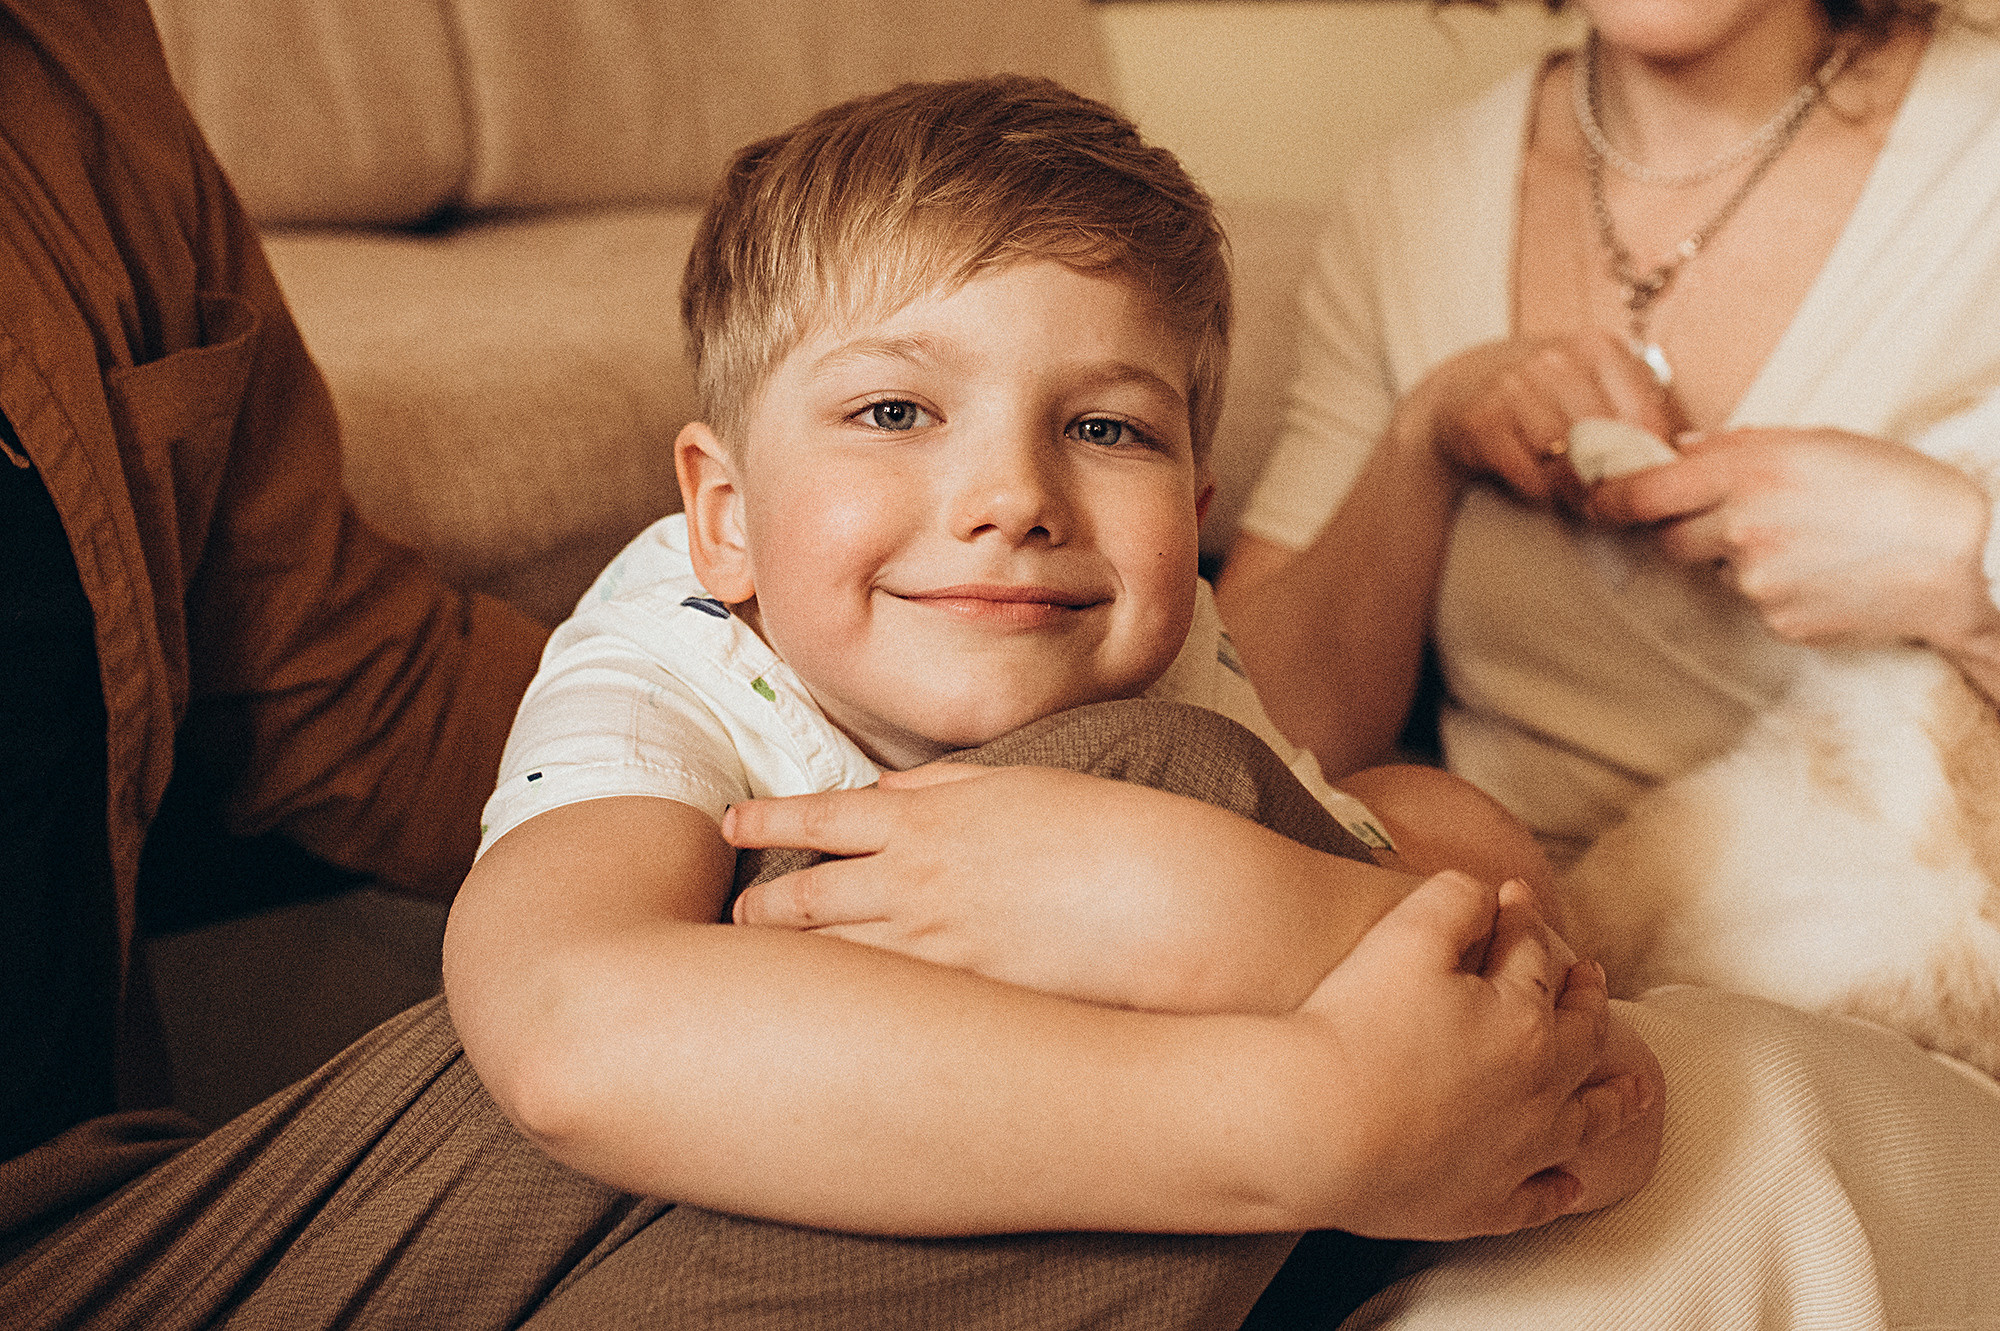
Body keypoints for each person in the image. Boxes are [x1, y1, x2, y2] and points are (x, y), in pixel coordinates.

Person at [0, 16, 1655, 1322]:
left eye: (1106, 428)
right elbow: (573, 1032)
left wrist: (1287, 912)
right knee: (1186, 818)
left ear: (1198, 515)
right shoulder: (670, 660)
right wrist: (1306, 1116)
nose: (1015, 496)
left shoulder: (1170, 655)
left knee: (1313, 816)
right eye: (891, 411)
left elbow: (1561, 1053)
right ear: (719, 516)